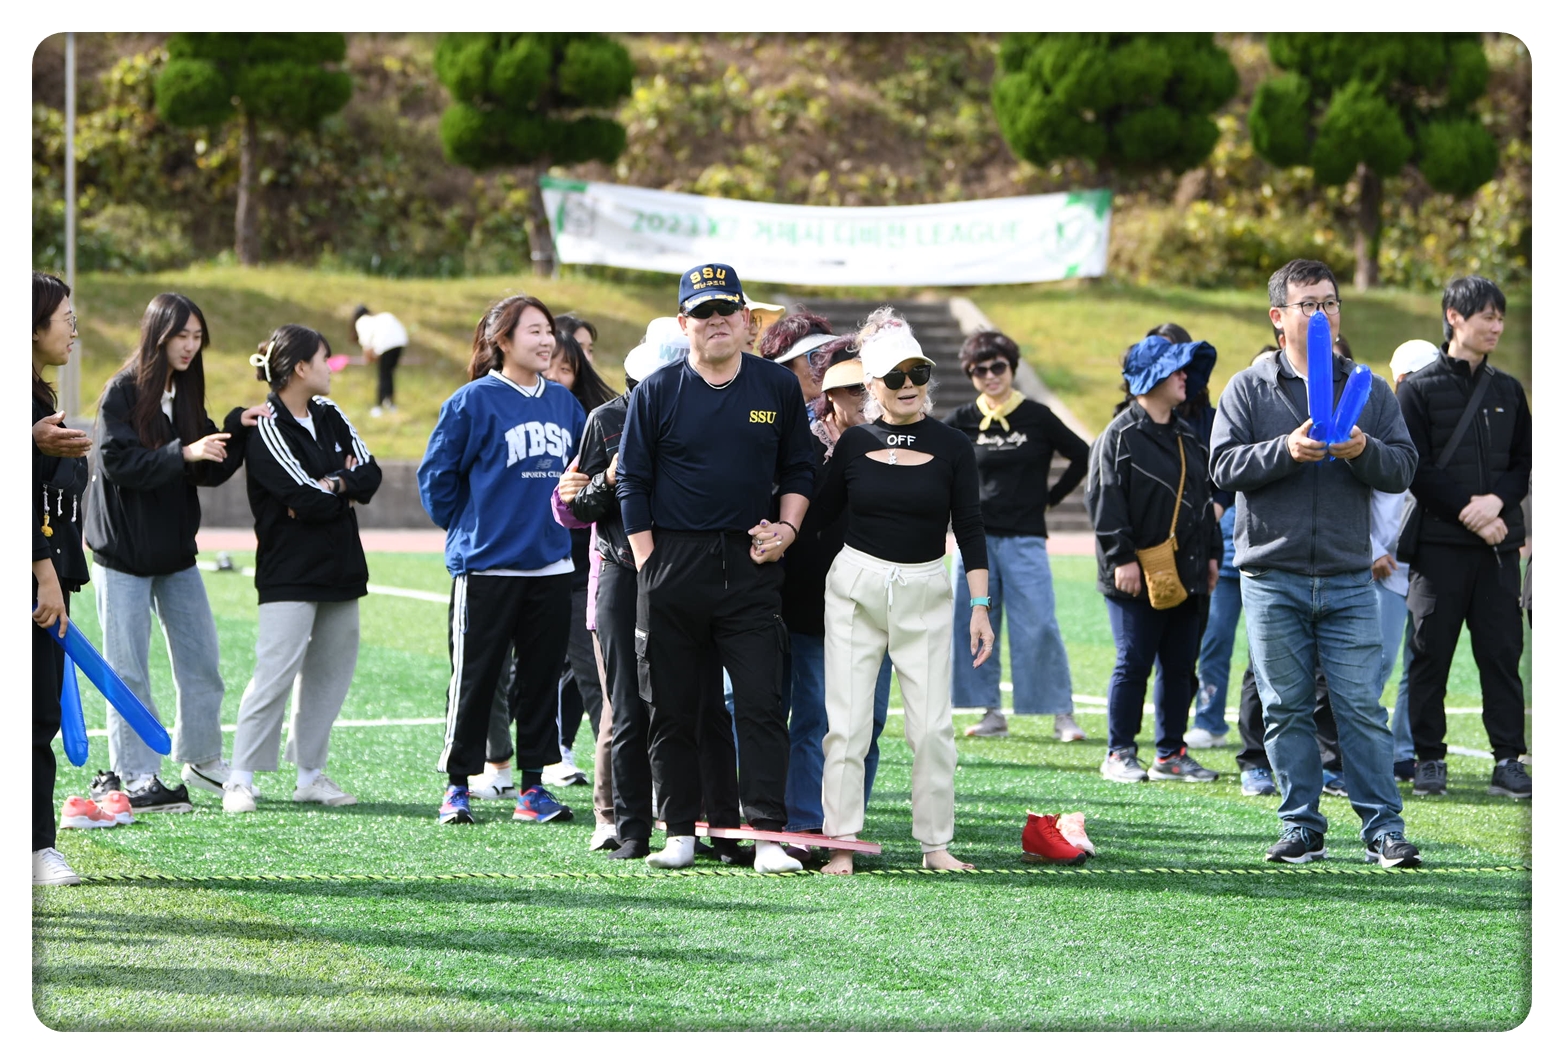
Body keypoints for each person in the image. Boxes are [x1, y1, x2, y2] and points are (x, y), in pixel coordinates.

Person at [1211, 258, 1422, 867]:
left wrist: (1362, 449)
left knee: (1361, 707)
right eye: (1308, 304)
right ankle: (1301, 825)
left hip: (1349, 575)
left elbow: (1403, 466)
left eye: (1330, 302)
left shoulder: (1369, 388)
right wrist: (1286, 450)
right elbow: (1221, 467)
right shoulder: (1249, 387)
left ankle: (1384, 829)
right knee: (1284, 707)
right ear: (1278, 317)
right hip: (1270, 575)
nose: (1323, 313)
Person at [616, 263, 814, 873]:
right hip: (672, 565)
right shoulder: (656, 391)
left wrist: (788, 530)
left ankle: (768, 837)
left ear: (747, 319)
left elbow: (799, 468)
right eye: (702, 312)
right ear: (685, 324)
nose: (716, 320)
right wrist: (650, 563)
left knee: (760, 704)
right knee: (673, 707)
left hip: (750, 564)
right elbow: (631, 481)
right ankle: (679, 831)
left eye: (726, 309)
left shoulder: (775, 387)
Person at [811, 308, 991, 875]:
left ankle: (936, 845)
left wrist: (980, 606)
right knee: (847, 726)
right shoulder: (852, 444)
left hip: (926, 590)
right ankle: (841, 842)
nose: (908, 384)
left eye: (918, 372)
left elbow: (970, 527)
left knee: (933, 729)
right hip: (855, 590)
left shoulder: (953, 445)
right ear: (871, 384)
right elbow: (816, 516)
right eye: (894, 376)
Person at [84, 293, 259, 814]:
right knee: (128, 671)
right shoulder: (121, 392)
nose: (189, 346)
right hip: (122, 554)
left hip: (175, 553)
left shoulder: (184, 393)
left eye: (197, 337)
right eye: (181, 335)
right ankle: (138, 775)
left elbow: (203, 468)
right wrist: (182, 452)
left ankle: (202, 760)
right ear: (157, 335)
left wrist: (237, 428)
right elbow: (118, 463)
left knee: (202, 661)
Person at [417, 295, 586, 826]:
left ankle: (533, 789)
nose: (546, 340)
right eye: (533, 331)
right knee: (475, 681)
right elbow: (436, 481)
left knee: (539, 683)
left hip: (551, 567)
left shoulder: (564, 403)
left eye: (548, 330)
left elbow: (581, 474)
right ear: (502, 340)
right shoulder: (472, 401)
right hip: (487, 570)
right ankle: (457, 787)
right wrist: (475, 529)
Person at [222, 324, 382, 814]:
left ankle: (309, 775)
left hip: (341, 566)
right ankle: (240, 778)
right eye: (324, 359)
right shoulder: (266, 425)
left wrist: (336, 484)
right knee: (274, 673)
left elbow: (369, 473)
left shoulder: (331, 413)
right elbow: (299, 495)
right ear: (299, 368)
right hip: (288, 570)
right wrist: (340, 487)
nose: (331, 367)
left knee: (330, 675)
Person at [1397, 276, 1531, 800]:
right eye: (1487, 316)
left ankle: (1508, 760)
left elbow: (1522, 463)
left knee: (1502, 656)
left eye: (1500, 318)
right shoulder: (1417, 389)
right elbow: (1415, 467)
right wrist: (1471, 513)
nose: (1497, 326)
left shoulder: (1509, 390)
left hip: (1498, 548)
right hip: (1438, 549)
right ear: (1454, 316)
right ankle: (1429, 759)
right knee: (1428, 654)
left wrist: (1496, 504)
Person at [1086, 335, 1222, 785]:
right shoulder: (1118, 436)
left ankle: (1171, 754)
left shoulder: (1188, 436)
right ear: (1152, 378)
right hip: (1133, 574)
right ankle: (1119, 752)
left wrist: (1213, 556)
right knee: (1134, 662)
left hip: (1189, 572)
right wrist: (1122, 558)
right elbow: (1104, 502)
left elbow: (1203, 504)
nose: (1185, 375)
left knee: (1181, 666)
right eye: (1175, 368)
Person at [945, 330, 1090, 742]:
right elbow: (933, 464)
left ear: (1012, 368)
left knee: (1040, 624)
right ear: (970, 375)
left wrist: (1050, 499)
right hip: (974, 543)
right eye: (980, 370)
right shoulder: (960, 421)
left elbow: (1083, 455)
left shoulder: (1038, 416)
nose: (991, 376)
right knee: (972, 624)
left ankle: (1062, 714)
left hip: (1026, 539)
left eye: (999, 367)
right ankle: (990, 712)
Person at [32, 272, 92, 885]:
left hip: (49, 576)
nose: (73, 329)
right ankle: (35, 849)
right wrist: (45, 576)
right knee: (31, 718)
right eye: (65, 319)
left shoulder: (40, 399)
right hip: (33, 582)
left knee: (39, 714)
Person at [351, 305, 409, 418]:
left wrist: (367, 358)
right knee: (389, 373)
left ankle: (379, 405)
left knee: (383, 374)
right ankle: (389, 403)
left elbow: (367, 344)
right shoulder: (382, 317)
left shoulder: (362, 321)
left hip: (387, 345)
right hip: (401, 342)